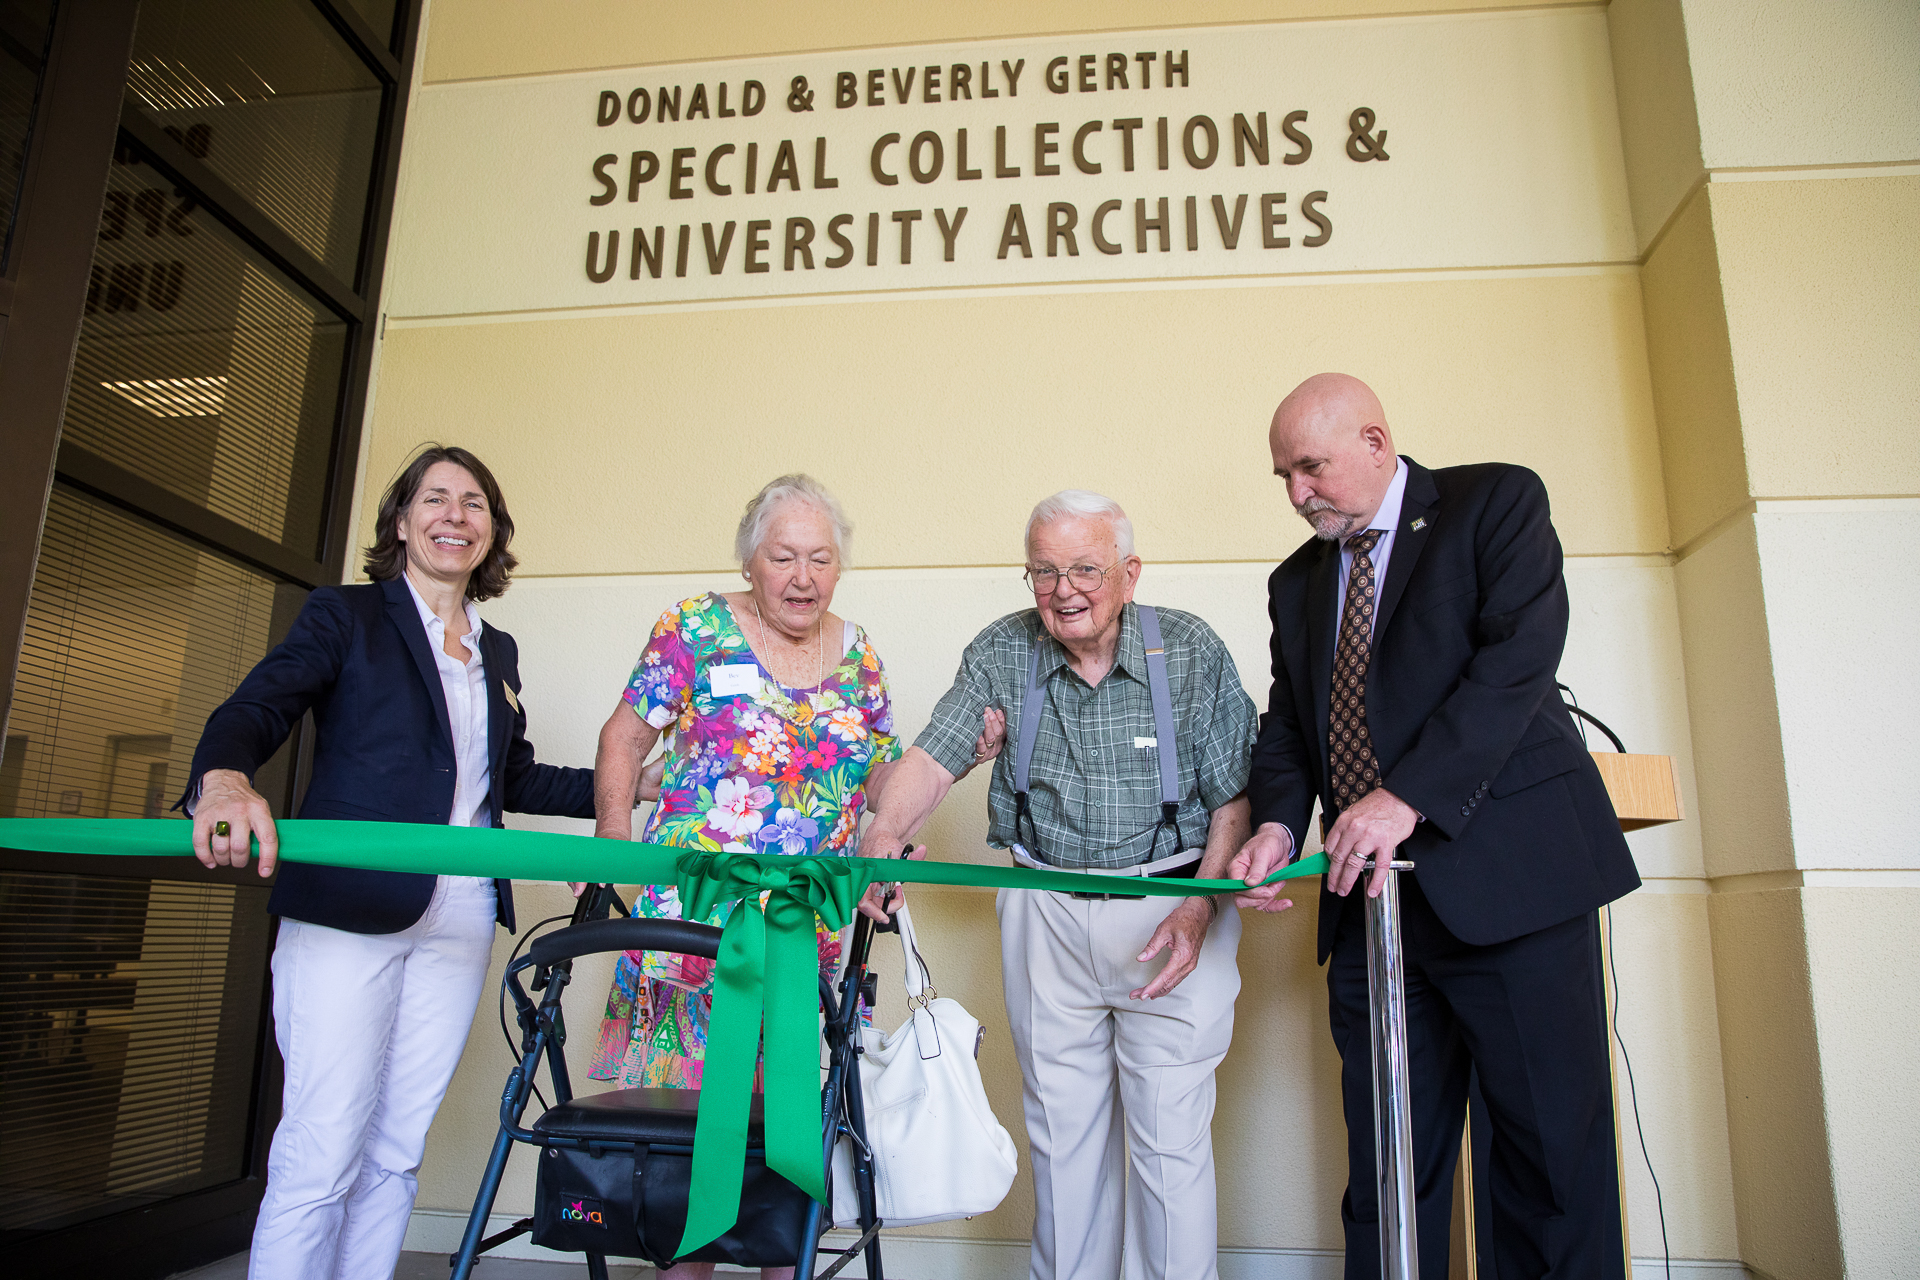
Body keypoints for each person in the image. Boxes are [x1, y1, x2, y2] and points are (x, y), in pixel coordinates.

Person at [1234, 373, 1642, 1278]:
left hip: (1512, 893)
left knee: (1547, 1163)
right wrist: (1272, 826)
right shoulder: (1294, 582)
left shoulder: (1493, 501)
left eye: (1312, 468)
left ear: (1376, 444)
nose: (1298, 495)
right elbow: (1293, 725)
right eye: (1283, 477)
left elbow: (1519, 658)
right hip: (1373, 913)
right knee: (1386, 1170)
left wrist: (1404, 796)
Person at [185, 446, 607, 1280]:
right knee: (323, 1142)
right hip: (348, 910)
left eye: (474, 503)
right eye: (436, 499)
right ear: (403, 522)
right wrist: (224, 781)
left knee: (396, 1145)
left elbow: (508, 776)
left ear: (493, 531)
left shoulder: (498, 648)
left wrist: (633, 784)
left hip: (459, 919)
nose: (456, 514)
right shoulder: (346, 616)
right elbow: (259, 707)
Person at [589, 474, 993, 1280]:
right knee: (690, 1137)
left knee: (793, 1127)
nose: (803, 577)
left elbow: (878, 774)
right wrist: (611, 841)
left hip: (809, 924)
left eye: (820, 558)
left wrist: (937, 777)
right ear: (750, 563)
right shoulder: (694, 628)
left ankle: (788, 1267)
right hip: (692, 923)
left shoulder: (858, 649)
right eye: (784, 557)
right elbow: (624, 738)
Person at [863, 490, 1258, 1280]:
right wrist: (882, 837)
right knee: (1062, 1142)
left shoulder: (1188, 650)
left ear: (1129, 572)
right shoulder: (1003, 650)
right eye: (1043, 571)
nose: (1064, 589)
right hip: (1043, 912)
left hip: (1172, 911)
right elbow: (934, 758)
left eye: (1085, 568)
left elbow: (1235, 801)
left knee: (1169, 1142)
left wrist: (1200, 907)